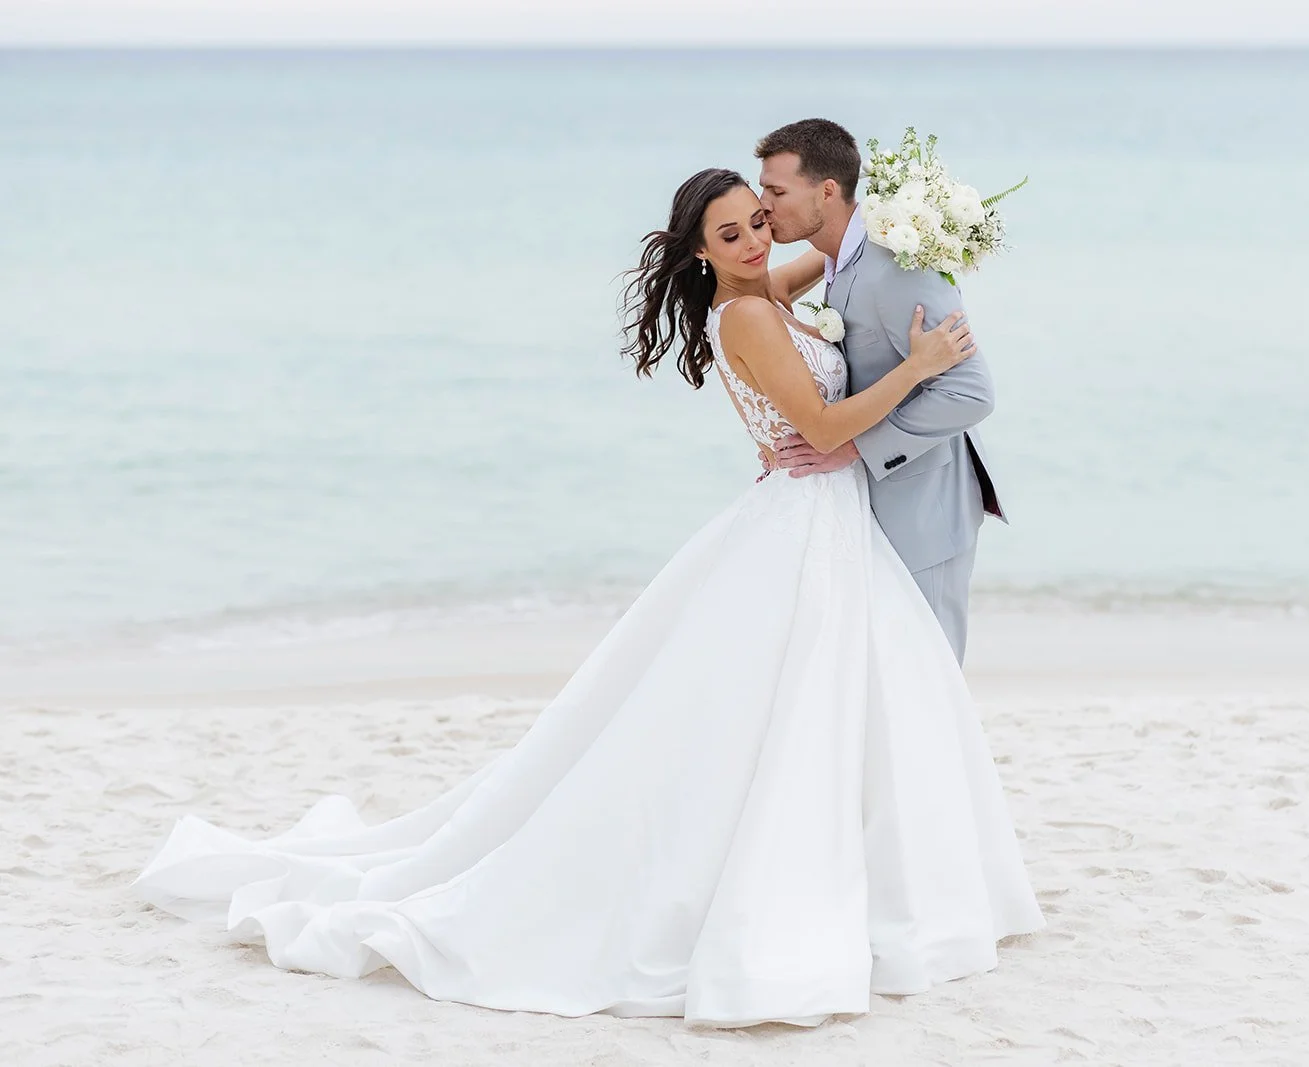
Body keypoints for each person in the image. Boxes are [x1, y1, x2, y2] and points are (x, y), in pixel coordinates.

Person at [131, 168, 1043, 1028]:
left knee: (832, 700)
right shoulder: (748, 317)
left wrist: (923, 219)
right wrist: (920, 365)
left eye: (760, 218)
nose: (757, 237)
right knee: (787, 707)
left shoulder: (768, 287)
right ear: (700, 253)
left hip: (824, 524)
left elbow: (841, 257)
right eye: (731, 232)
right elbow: (826, 427)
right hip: (807, 516)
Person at [756, 118, 1005, 663]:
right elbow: (758, 298)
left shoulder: (896, 269)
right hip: (872, 506)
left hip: (926, 507)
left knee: (929, 676)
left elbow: (971, 392)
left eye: (775, 191)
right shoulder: (838, 255)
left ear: (825, 191)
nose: (764, 205)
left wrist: (854, 447)